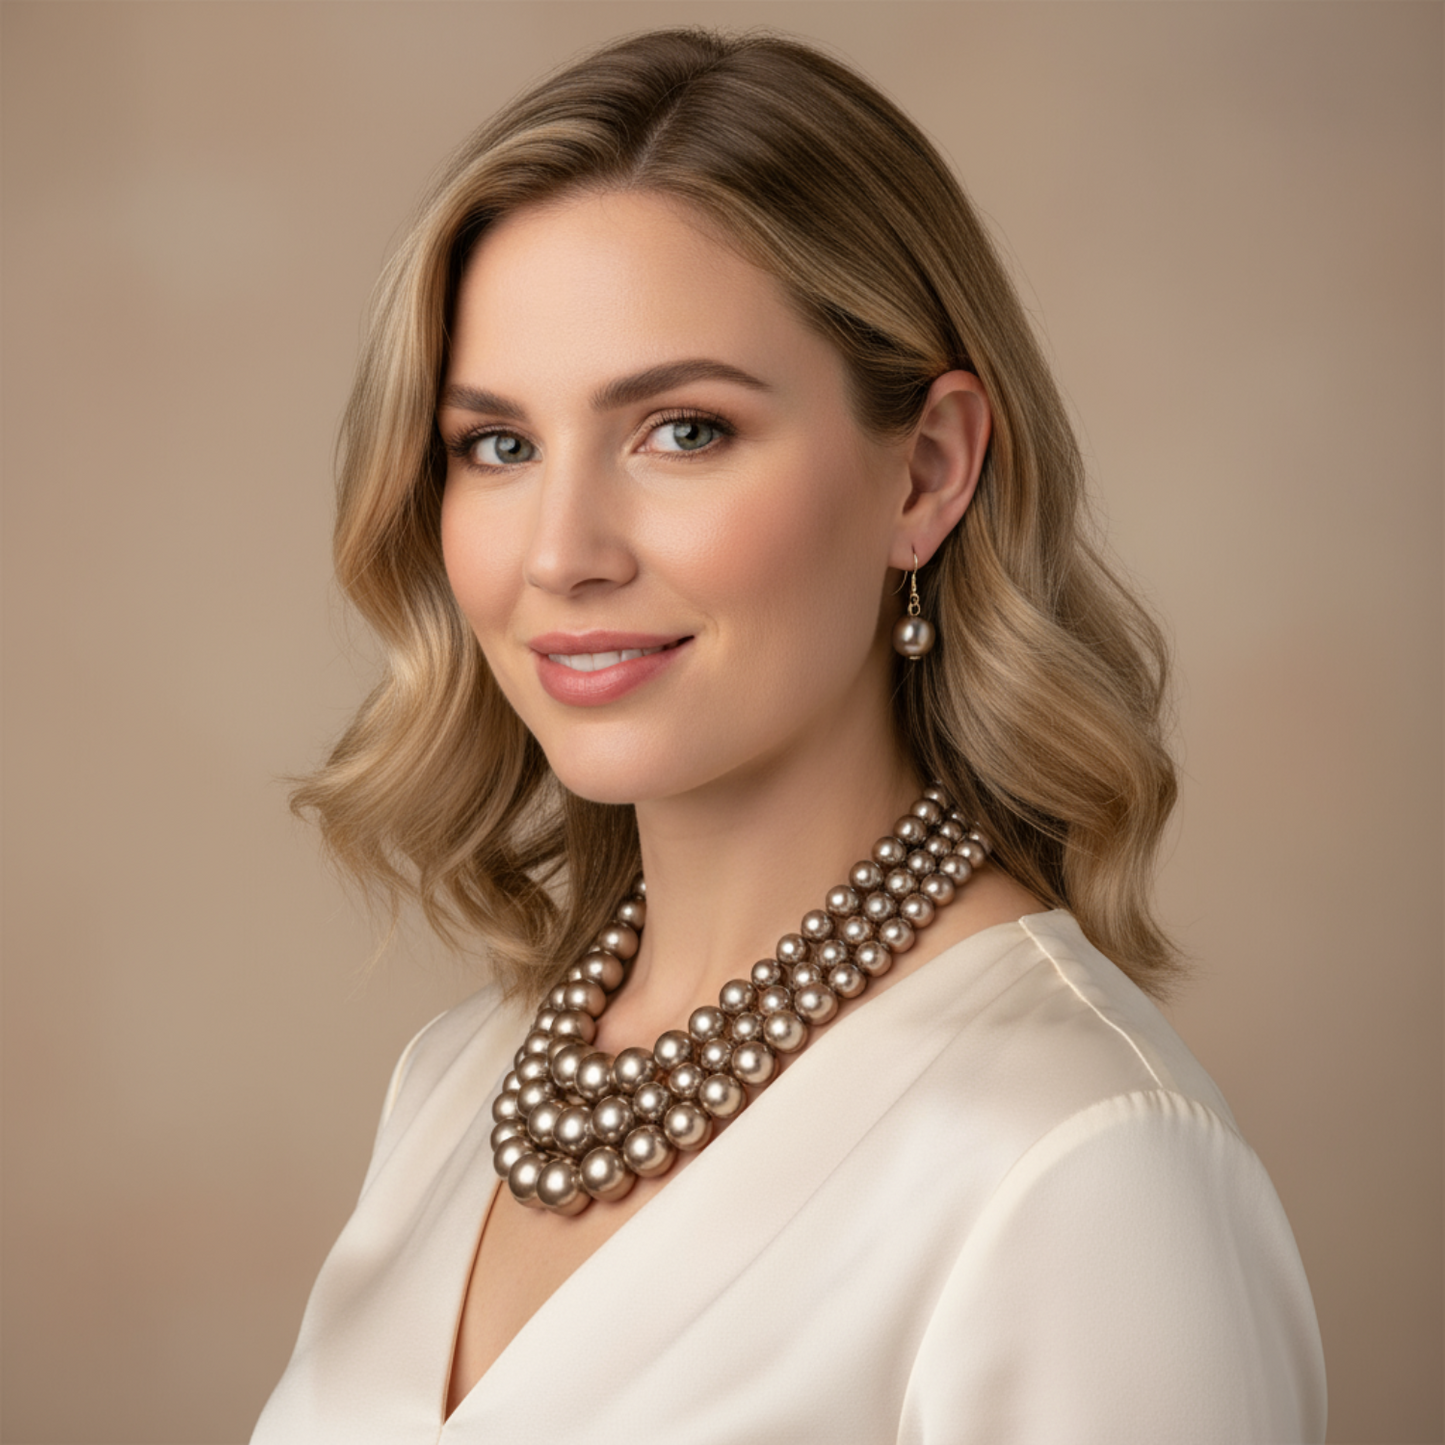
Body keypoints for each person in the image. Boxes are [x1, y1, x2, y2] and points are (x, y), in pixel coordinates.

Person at [252, 27, 1326, 1443]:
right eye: (497, 445)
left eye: (682, 431)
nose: (561, 554)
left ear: (926, 472)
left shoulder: (1081, 1169)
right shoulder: (458, 1087)